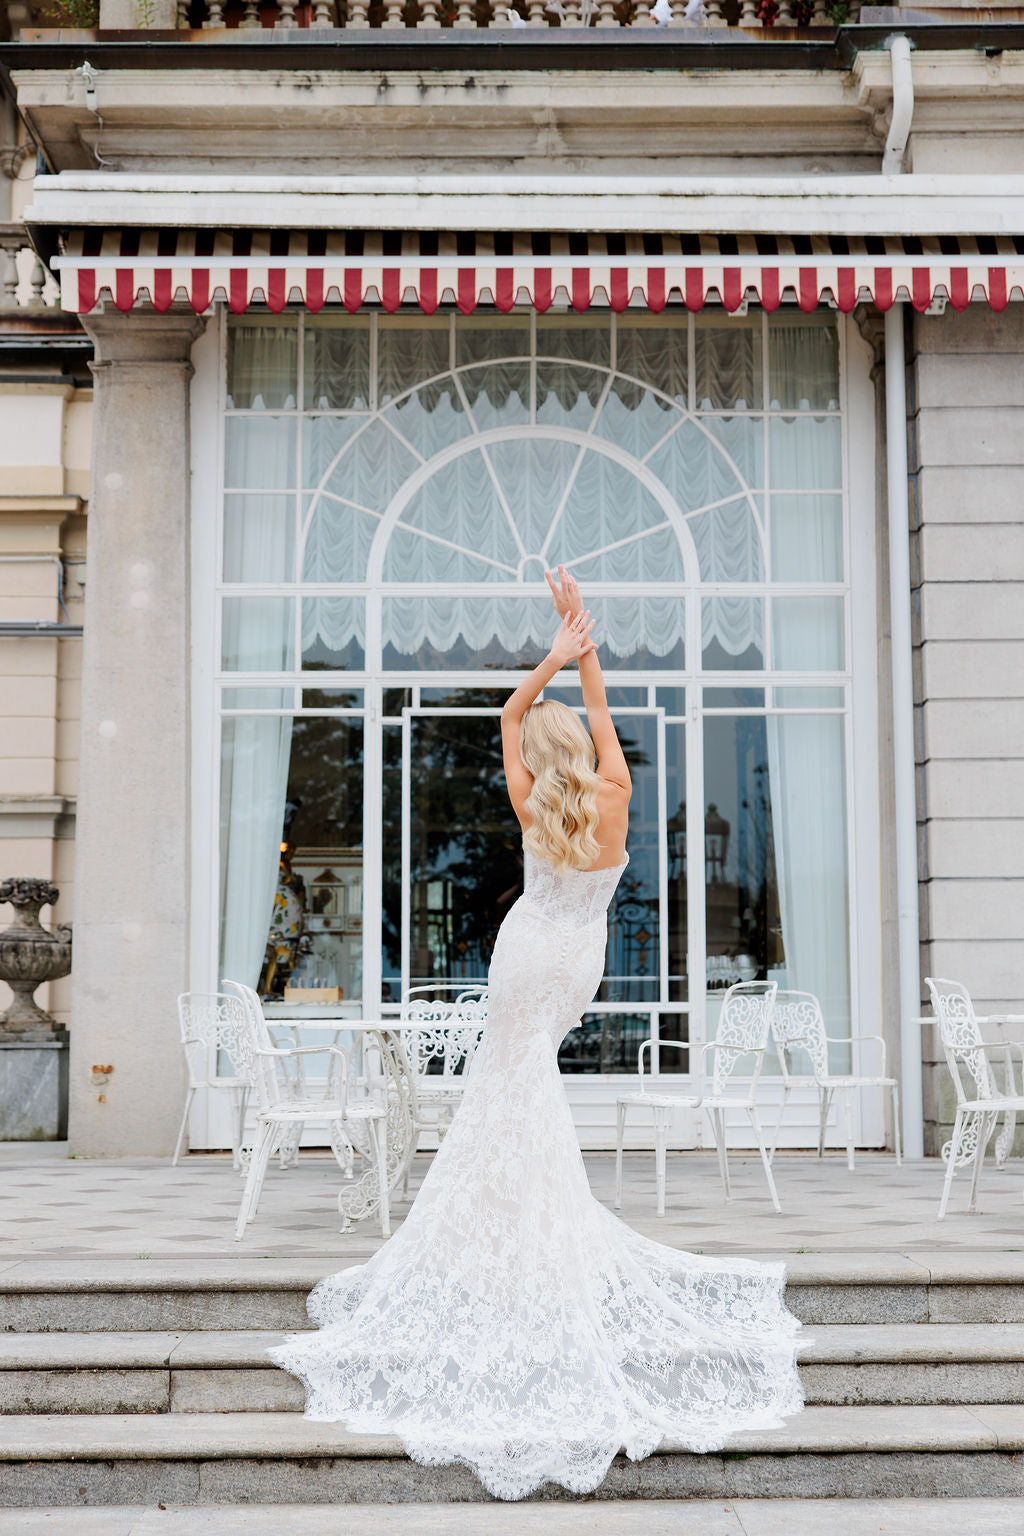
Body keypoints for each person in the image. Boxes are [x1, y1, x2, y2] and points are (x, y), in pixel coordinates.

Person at [270, 567, 804, 1501]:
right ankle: (531, 1221)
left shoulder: (531, 801)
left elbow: (507, 722)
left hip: (525, 953)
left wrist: (551, 659)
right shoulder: (619, 792)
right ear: (589, 749)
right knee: (528, 1086)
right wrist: (587, 663)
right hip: (577, 959)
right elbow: (592, 728)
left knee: (504, 1086)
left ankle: (504, 1227)